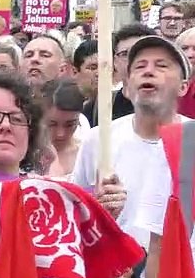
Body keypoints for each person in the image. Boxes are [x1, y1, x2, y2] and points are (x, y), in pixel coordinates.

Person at [72, 34, 187, 245]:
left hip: (183, 272)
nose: (148, 71)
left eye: (161, 65)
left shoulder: (192, 141)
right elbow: (73, 218)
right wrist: (97, 209)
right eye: (139, 66)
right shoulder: (98, 140)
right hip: (118, 274)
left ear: (183, 87)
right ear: (126, 88)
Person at [40, 78, 86, 179]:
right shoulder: (24, 154)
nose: (60, 134)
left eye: (70, 125)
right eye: (52, 124)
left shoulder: (87, 154)